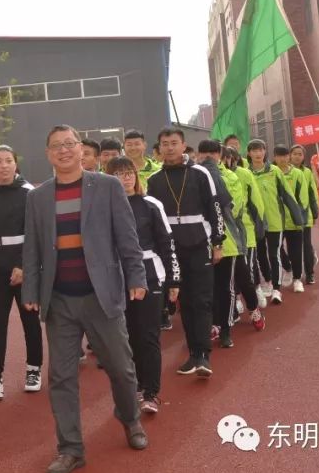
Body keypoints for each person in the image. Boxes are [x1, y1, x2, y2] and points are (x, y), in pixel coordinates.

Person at [22, 125, 149, 473]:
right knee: (61, 377)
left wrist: (137, 277)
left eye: (69, 144)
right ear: (48, 154)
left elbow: (127, 236)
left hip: (101, 295)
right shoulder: (38, 196)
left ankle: (130, 419)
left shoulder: (106, 187)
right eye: (56, 146)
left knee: (122, 369)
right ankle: (71, 448)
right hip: (59, 299)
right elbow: (32, 248)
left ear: (81, 149)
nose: (63, 151)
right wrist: (30, 289)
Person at [105, 156, 179, 415]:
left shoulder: (151, 204)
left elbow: (167, 243)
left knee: (148, 335)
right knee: (127, 337)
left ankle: (151, 392)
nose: (125, 179)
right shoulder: (104, 207)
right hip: (116, 279)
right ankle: (134, 385)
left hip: (150, 276)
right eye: (118, 174)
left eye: (128, 173)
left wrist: (173, 280)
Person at [146, 128, 224, 376]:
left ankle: (203, 355)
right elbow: (153, 219)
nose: (169, 147)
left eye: (174, 143)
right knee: (184, 302)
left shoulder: (200, 173)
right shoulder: (154, 180)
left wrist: (218, 243)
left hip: (199, 246)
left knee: (201, 300)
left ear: (183, 146)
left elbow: (215, 209)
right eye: (165, 143)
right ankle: (193, 354)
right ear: (159, 149)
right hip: (171, 250)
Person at [0, 145, 43, 400]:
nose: (4, 165)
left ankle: (34, 369)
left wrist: (24, 266)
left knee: (30, 320)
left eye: (9, 160)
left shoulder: (30, 193)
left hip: (24, 268)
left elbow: (35, 233)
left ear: (15, 164)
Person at [194, 140, 249, 348]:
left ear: (219, 155)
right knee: (205, 289)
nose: (208, 156)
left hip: (227, 242)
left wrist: (214, 188)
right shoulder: (194, 176)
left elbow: (233, 209)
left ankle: (226, 329)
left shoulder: (230, 176)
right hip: (200, 242)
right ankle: (211, 325)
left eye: (212, 153)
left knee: (226, 287)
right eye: (203, 152)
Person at [245, 139, 302, 304]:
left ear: (265, 152)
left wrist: (298, 217)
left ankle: (277, 289)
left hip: (275, 220)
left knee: (274, 253)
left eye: (260, 150)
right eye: (254, 150)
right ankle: (268, 281)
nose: (257, 153)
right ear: (249, 153)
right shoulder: (246, 173)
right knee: (260, 254)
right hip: (256, 222)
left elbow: (287, 195)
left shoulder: (274, 171)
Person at [223, 146, 267, 328]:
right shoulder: (207, 175)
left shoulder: (243, 174)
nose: (224, 161)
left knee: (245, 270)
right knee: (227, 277)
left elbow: (255, 202)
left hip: (244, 230)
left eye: (227, 157)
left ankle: (254, 299)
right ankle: (234, 307)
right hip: (223, 235)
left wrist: (259, 225)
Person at [273, 146, 310, 292]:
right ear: (274, 157)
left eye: (285, 155)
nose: (282, 159)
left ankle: (297, 279)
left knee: (296, 251)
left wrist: (300, 216)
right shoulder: (272, 173)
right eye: (279, 156)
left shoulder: (298, 174)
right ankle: (287, 268)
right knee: (277, 249)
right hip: (276, 221)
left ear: (288, 157)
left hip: (294, 221)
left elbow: (303, 198)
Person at [289, 145, 319, 285]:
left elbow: (312, 192)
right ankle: (295, 273)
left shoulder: (307, 172)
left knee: (306, 245)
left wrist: (314, 211)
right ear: (290, 155)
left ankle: (310, 273)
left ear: (303, 156)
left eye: (300, 154)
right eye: (295, 153)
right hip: (289, 217)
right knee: (293, 247)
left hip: (304, 215)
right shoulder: (283, 171)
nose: (297, 156)